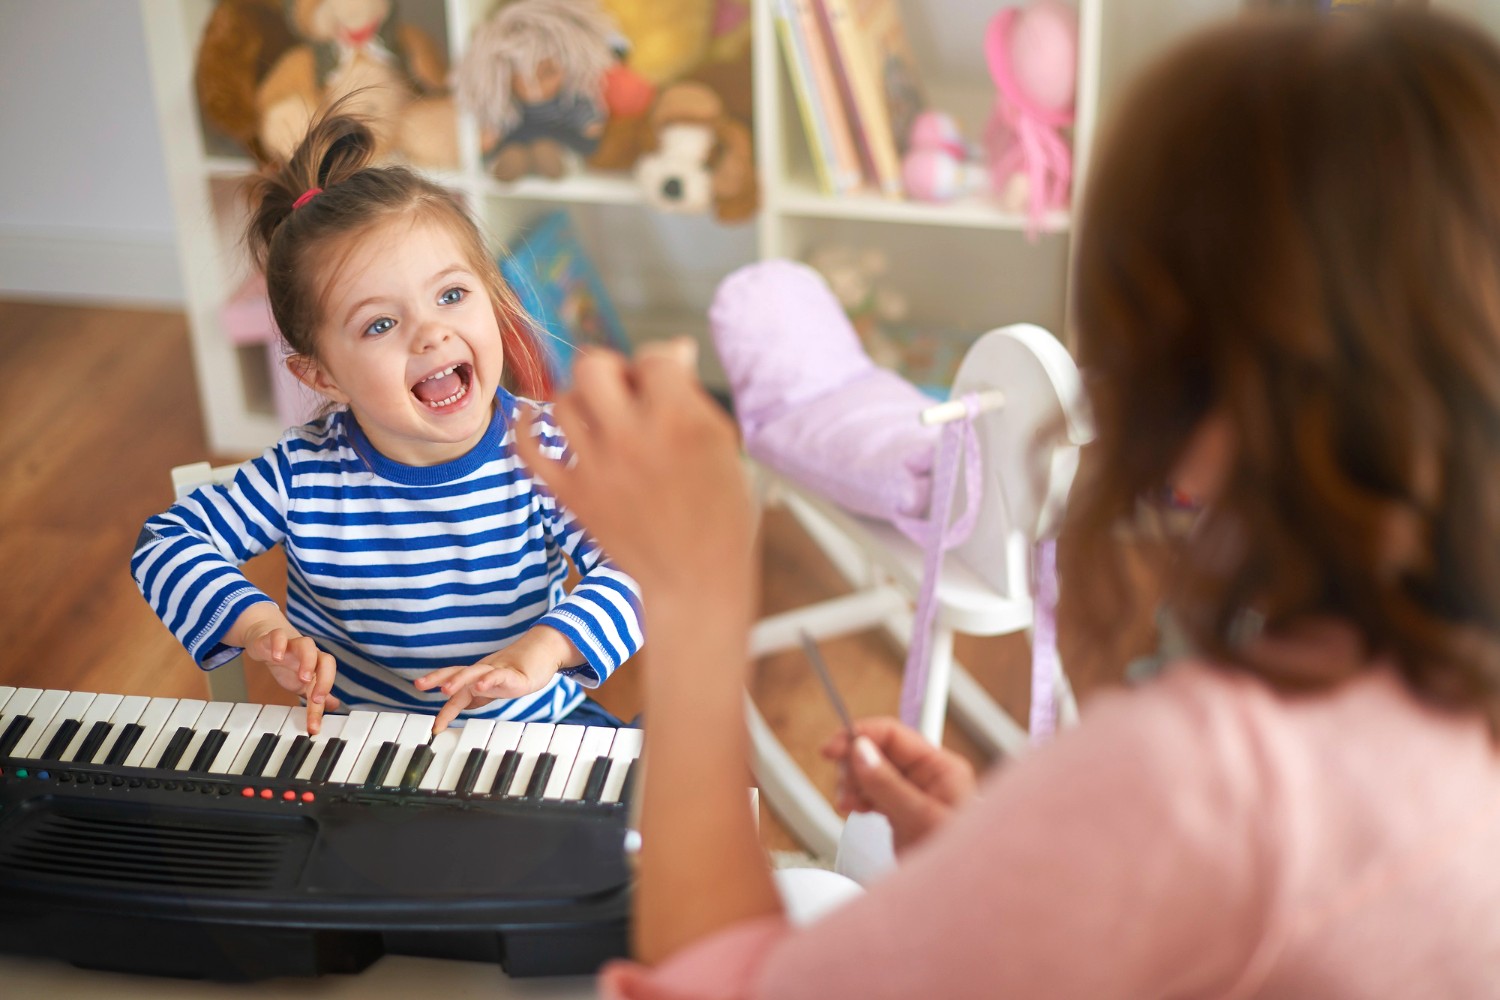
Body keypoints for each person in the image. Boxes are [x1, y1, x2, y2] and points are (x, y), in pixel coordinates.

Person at [513, 8, 1500, 997]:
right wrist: (1006, 854)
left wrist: (695, 594)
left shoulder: (1208, 782)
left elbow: (720, 983)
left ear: (1186, 376)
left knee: (810, 898)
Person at [132, 109, 642, 736]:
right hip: (361, 751)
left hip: (536, 734)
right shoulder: (301, 475)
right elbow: (165, 544)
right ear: (321, 376)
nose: (430, 332)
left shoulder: (546, 450)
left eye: (452, 295)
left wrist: (545, 649)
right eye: (379, 324)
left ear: (493, 296)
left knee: (663, 800)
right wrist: (259, 625)